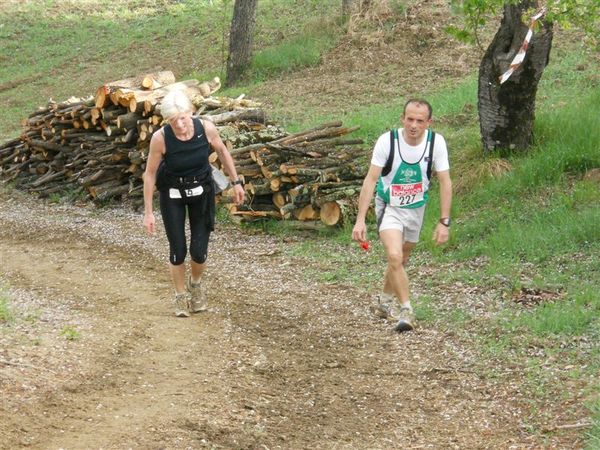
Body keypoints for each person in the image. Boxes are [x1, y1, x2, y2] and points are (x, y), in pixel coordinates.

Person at [352, 99, 452, 332]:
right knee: (395, 256)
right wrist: (359, 220)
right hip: (389, 207)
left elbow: (446, 182)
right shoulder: (387, 141)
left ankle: (384, 303)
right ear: (402, 118)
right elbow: (371, 180)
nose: (413, 125)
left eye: (419, 120)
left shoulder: (436, 143)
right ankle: (407, 310)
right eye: (409, 119)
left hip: (416, 209)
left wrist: (444, 221)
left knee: (401, 260)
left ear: (429, 122)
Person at [143, 89, 245, 317]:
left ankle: (195, 284)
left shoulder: (205, 128)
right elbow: (149, 174)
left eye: (182, 118)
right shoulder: (160, 138)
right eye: (172, 120)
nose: (178, 124)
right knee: (177, 250)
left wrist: (236, 182)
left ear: (191, 112)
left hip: (202, 192)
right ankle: (180, 297)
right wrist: (148, 212)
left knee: (199, 251)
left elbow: (222, 151)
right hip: (172, 195)